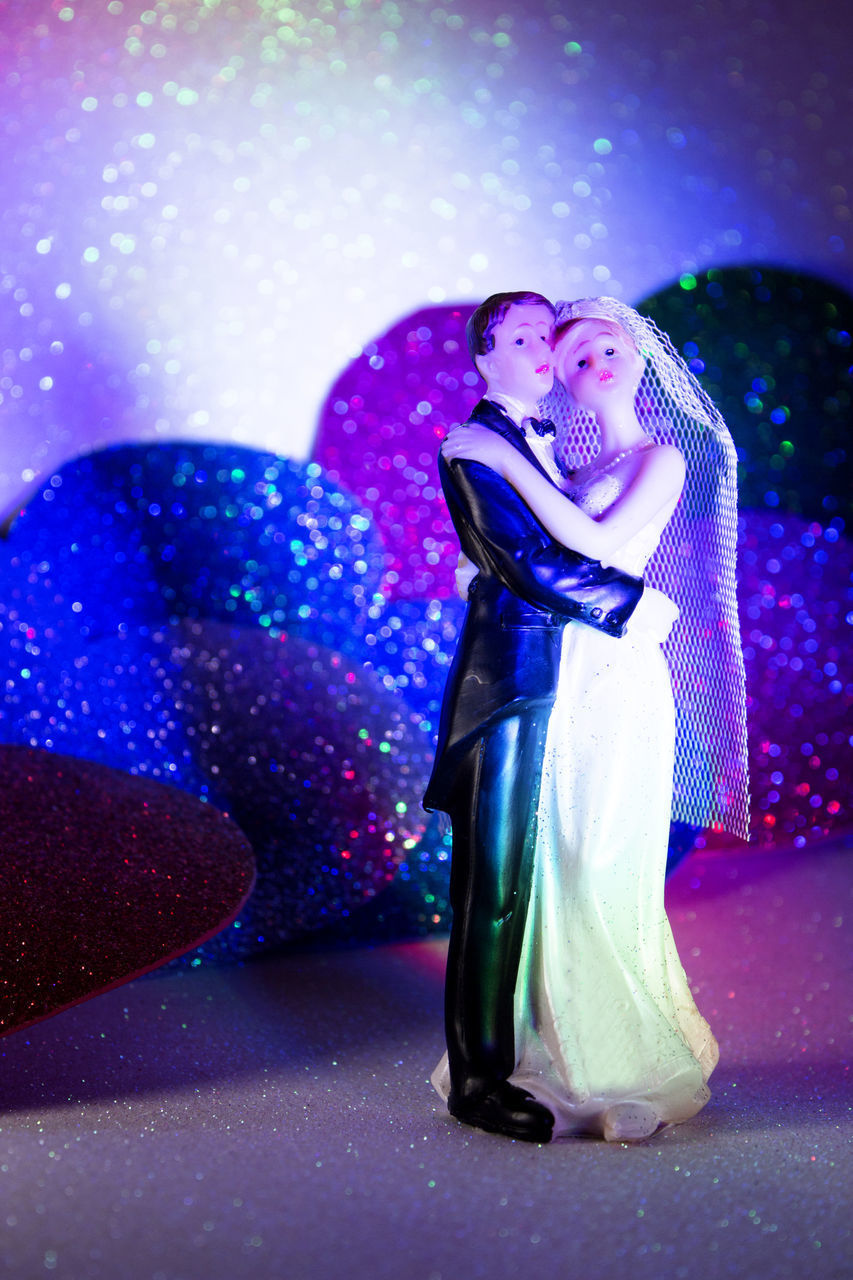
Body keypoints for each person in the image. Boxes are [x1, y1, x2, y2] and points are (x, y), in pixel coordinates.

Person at [436, 296, 748, 1141]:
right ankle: (564, 1054)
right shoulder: (550, 460)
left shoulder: (659, 458)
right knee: (558, 866)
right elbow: (525, 558)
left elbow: (594, 548)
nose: (586, 364)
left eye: (603, 348)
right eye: (569, 357)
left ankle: (625, 1061)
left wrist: (509, 465)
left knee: (606, 855)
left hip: (611, 676)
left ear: (642, 359)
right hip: (557, 679)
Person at [424, 291, 659, 1143]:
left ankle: (536, 1046)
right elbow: (524, 563)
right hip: (510, 684)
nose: (536, 348)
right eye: (517, 336)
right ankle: (479, 1080)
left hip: (570, 682)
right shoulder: (474, 445)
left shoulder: (539, 447)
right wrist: (632, 606)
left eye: (541, 335)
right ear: (483, 357)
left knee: (546, 877)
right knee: (492, 885)